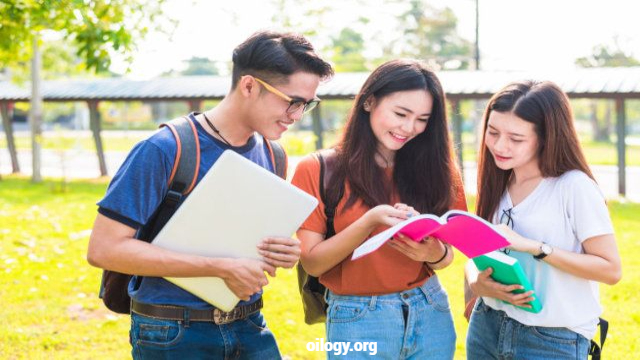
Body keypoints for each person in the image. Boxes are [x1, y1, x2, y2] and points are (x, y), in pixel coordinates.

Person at [87, 30, 333, 359]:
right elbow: (104, 249)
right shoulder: (165, 149)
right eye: (293, 101)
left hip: (249, 323)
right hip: (171, 332)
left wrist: (281, 251)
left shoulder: (274, 155)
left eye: (308, 104)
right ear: (249, 86)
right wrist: (218, 267)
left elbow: (242, 240)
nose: (297, 115)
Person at [291, 59, 466, 359]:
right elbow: (314, 264)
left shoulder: (438, 170)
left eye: (423, 119)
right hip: (356, 318)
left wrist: (432, 253)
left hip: (430, 308)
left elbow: (446, 256)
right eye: (401, 113)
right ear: (369, 102)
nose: (409, 128)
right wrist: (369, 222)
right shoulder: (318, 169)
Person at [465, 80, 622, 359]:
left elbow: (610, 270)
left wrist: (536, 247)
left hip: (550, 339)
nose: (500, 146)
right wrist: (476, 281)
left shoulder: (573, 186)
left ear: (546, 137)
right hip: (487, 325)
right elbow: (477, 254)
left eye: (516, 138)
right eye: (492, 132)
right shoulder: (499, 179)